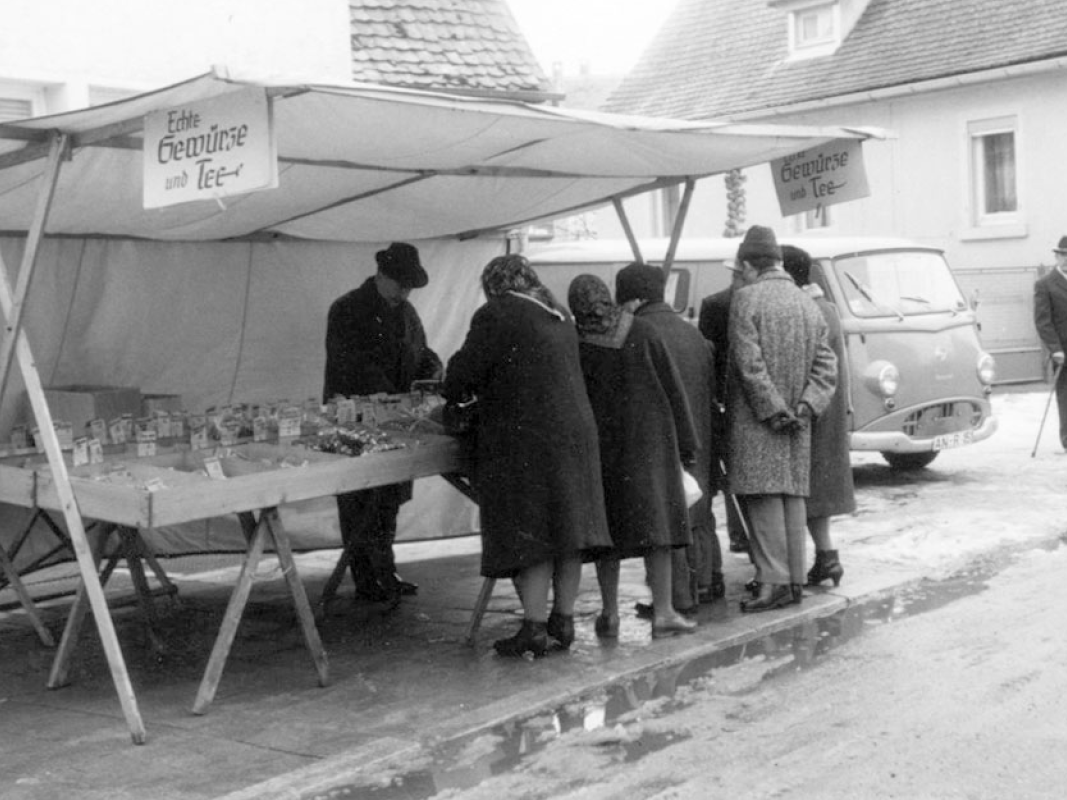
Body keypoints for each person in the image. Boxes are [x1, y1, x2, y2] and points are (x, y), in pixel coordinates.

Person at [443, 254, 612, 658]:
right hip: (576, 436)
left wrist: (451, 387)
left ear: (494, 287)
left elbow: (464, 373)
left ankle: (534, 627)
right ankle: (563, 620)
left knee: (534, 532)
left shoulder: (498, 313)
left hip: (530, 440)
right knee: (568, 532)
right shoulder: (558, 313)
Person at [568, 273, 698, 639]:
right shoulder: (642, 331)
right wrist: (686, 445)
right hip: (650, 446)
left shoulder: (576, 341)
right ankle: (664, 611)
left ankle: (609, 613)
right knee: (657, 529)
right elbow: (673, 389)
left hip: (601, 451)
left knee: (606, 533)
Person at [726, 226, 837, 613]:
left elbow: (749, 363)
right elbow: (827, 364)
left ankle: (772, 582)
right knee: (792, 496)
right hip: (799, 420)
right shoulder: (807, 302)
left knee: (762, 497)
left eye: (738, 268)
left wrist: (773, 411)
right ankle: (792, 581)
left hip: (760, 420)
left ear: (747, 265)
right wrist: (806, 406)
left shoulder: (745, 299)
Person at [323, 242, 442, 603]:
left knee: (387, 499)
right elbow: (353, 366)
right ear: (382, 276)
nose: (404, 293)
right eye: (400, 285)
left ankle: (385, 570)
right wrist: (393, 398)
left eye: (409, 287)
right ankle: (364, 576)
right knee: (358, 500)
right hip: (355, 419)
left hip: (395, 420)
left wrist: (432, 372)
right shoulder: (347, 309)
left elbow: (421, 352)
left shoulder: (407, 313)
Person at [614, 261, 724, 615]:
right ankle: (708, 582)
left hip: (662, 438)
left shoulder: (637, 332)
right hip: (702, 434)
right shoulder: (690, 331)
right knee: (700, 509)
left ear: (631, 299)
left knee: (666, 517)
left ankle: (679, 598)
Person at [781, 245, 856, 587]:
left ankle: (822, 558)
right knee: (819, 490)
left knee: (807, 489)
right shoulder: (826, 306)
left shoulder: (809, 310)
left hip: (814, 408)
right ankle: (827, 557)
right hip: (829, 406)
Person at [698, 262, 752, 555]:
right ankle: (738, 534)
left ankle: (744, 534)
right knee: (733, 469)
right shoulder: (715, 304)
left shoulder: (754, 302)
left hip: (746, 397)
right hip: (724, 398)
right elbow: (709, 355)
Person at [1033, 235, 1067, 451]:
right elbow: (1042, 322)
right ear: (1056, 256)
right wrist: (1055, 350)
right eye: (1062, 255)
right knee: (1066, 397)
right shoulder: (1045, 284)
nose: (1065, 260)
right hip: (1063, 353)